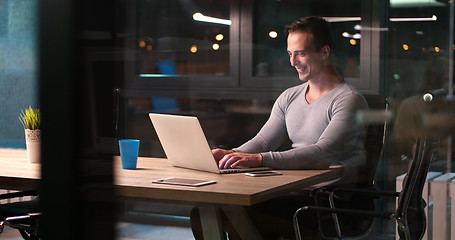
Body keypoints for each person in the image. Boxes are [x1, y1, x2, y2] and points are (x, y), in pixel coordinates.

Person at [191, 16, 370, 240]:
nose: (293, 61)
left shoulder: (348, 100)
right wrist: (230, 154)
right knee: (206, 211)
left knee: (239, 210)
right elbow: (264, 142)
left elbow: (322, 154)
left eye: (301, 53)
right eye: (289, 54)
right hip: (290, 187)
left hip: (327, 199)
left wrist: (259, 159)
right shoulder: (289, 96)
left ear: (324, 52)